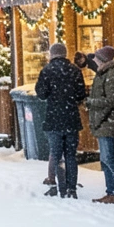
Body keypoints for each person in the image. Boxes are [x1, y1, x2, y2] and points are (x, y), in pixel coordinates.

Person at [35, 42, 86, 199]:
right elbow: (81, 94)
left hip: (54, 119)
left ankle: (61, 187)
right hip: (71, 118)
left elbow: (41, 93)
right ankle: (72, 188)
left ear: (52, 54)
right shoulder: (75, 71)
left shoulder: (47, 71)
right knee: (71, 154)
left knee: (56, 154)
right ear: (65, 54)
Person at [86, 45, 114, 204]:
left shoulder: (112, 74)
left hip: (110, 121)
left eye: (96, 58)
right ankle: (112, 191)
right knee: (105, 159)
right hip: (106, 121)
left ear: (103, 60)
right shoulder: (105, 72)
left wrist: (91, 102)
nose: (94, 60)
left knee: (108, 158)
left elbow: (113, 99)